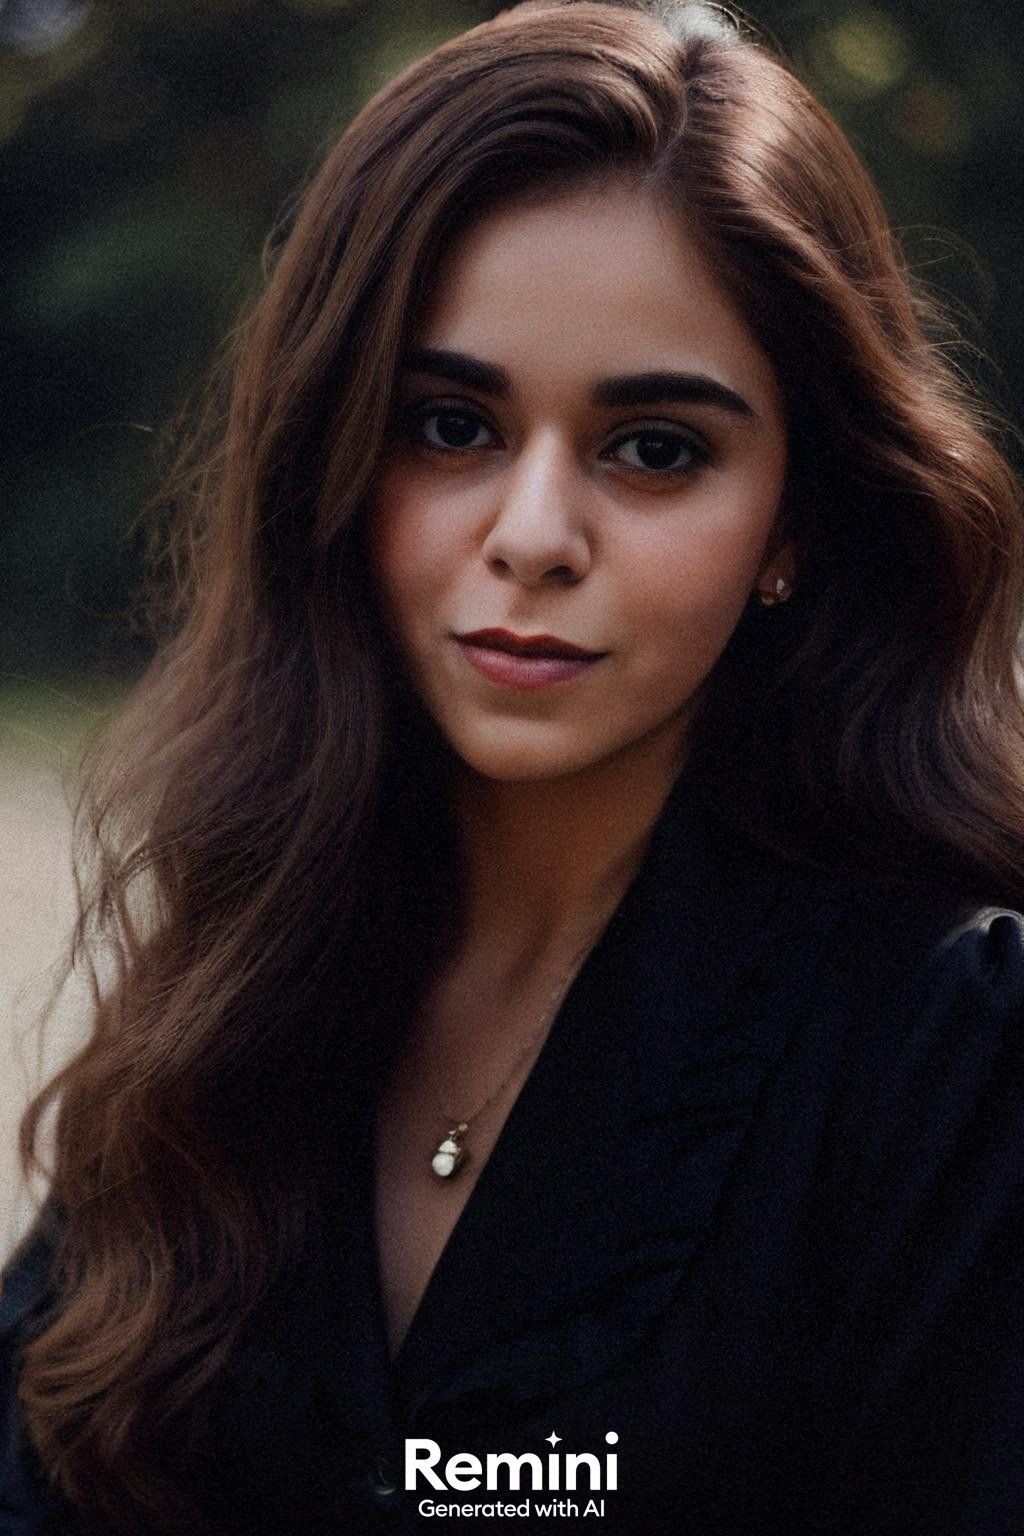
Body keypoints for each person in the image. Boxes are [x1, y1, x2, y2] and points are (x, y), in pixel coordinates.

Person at [2, 1, 1023, 1531]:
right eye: (448, 424)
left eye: (656, 448)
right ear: (330, 465)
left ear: (795, 524)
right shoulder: (251, 974)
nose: (534, 536)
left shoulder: (950, 1047)